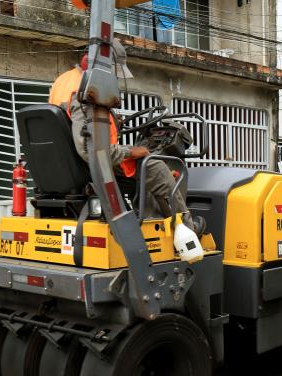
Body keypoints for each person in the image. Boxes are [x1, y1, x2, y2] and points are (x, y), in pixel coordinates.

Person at [48, 40, 197, 232]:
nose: (114, 79)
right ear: (103, 68)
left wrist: (110, 121)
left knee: (147, 164)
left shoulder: (65, 80)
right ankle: (186, 231)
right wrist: (130, 152)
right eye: (113, 73)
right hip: (95, 164)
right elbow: (89, 150)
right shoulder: (85, 93)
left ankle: (150, 219)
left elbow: (76, 125)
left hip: (68, 163)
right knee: (156, 168)